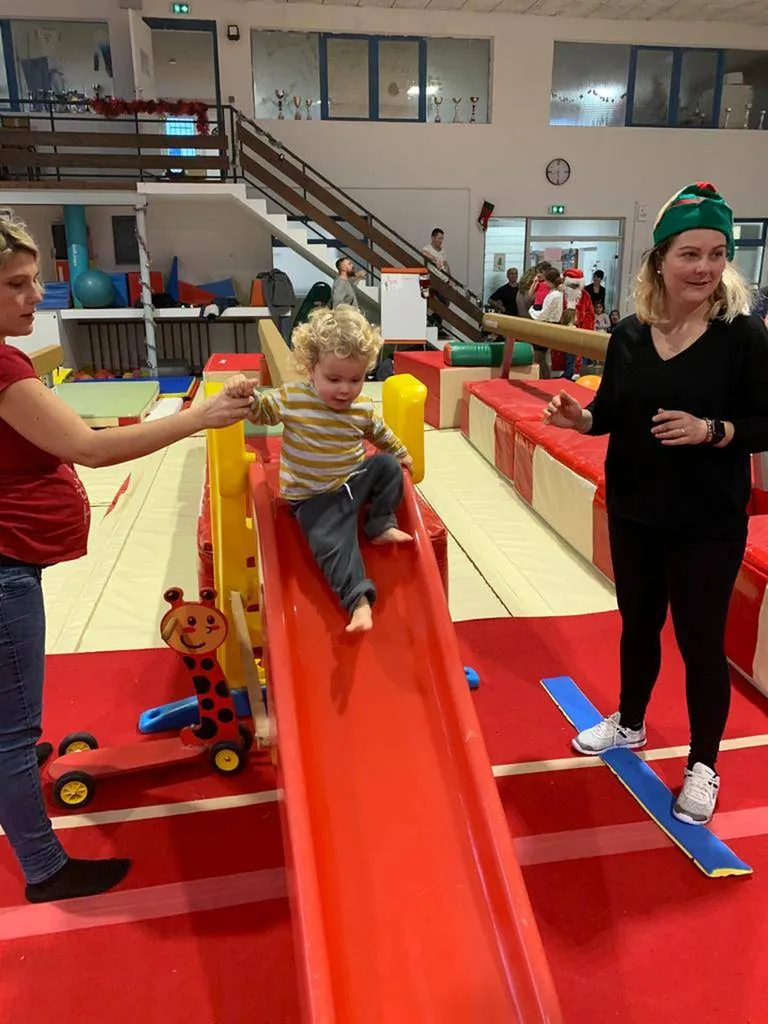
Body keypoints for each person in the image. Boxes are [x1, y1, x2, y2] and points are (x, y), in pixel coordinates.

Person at [0, 214, 254, 903]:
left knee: (13, 722)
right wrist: (198, 418)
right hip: (4, 566)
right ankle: (46, 868)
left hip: (12, 558)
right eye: (17, 285)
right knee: (10, 727)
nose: (36, 298)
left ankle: (20, 768)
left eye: (35, 281)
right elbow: (88, 448)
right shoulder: (1, 364)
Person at [543, 181, 768, 825]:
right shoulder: (630, 337)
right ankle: (632, 722)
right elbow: (608, 414)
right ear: (660, 260)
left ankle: (704, 763)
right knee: (637, 626)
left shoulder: (742, 338)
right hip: (636, 508)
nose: (704, 268)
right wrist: (575, 420)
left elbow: (766, 422)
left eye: (717, 254)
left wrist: (713, 431)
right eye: (690, 254)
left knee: (701, 642)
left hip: (707, 520)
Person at [226, 304, 413, 634]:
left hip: (352, 483)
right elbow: (263, 411)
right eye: (334, 378)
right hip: (312, 496)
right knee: (333, 544)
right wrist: (248, 396)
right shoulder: (295, 397)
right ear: (311, 369)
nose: (345, 389)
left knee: (387, 466)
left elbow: (381, 434)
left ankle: (380, 522)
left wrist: (402, 453)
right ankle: (359, 602)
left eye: (356, 379)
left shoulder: (362, 406)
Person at [517, 263, 551, 379]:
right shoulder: (532, 292)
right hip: (533, 328)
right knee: (539, 360)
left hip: (528, 328)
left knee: (538, 360)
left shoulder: (521, 292)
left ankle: (544, 383)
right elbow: (530, 303)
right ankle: (544, 382)